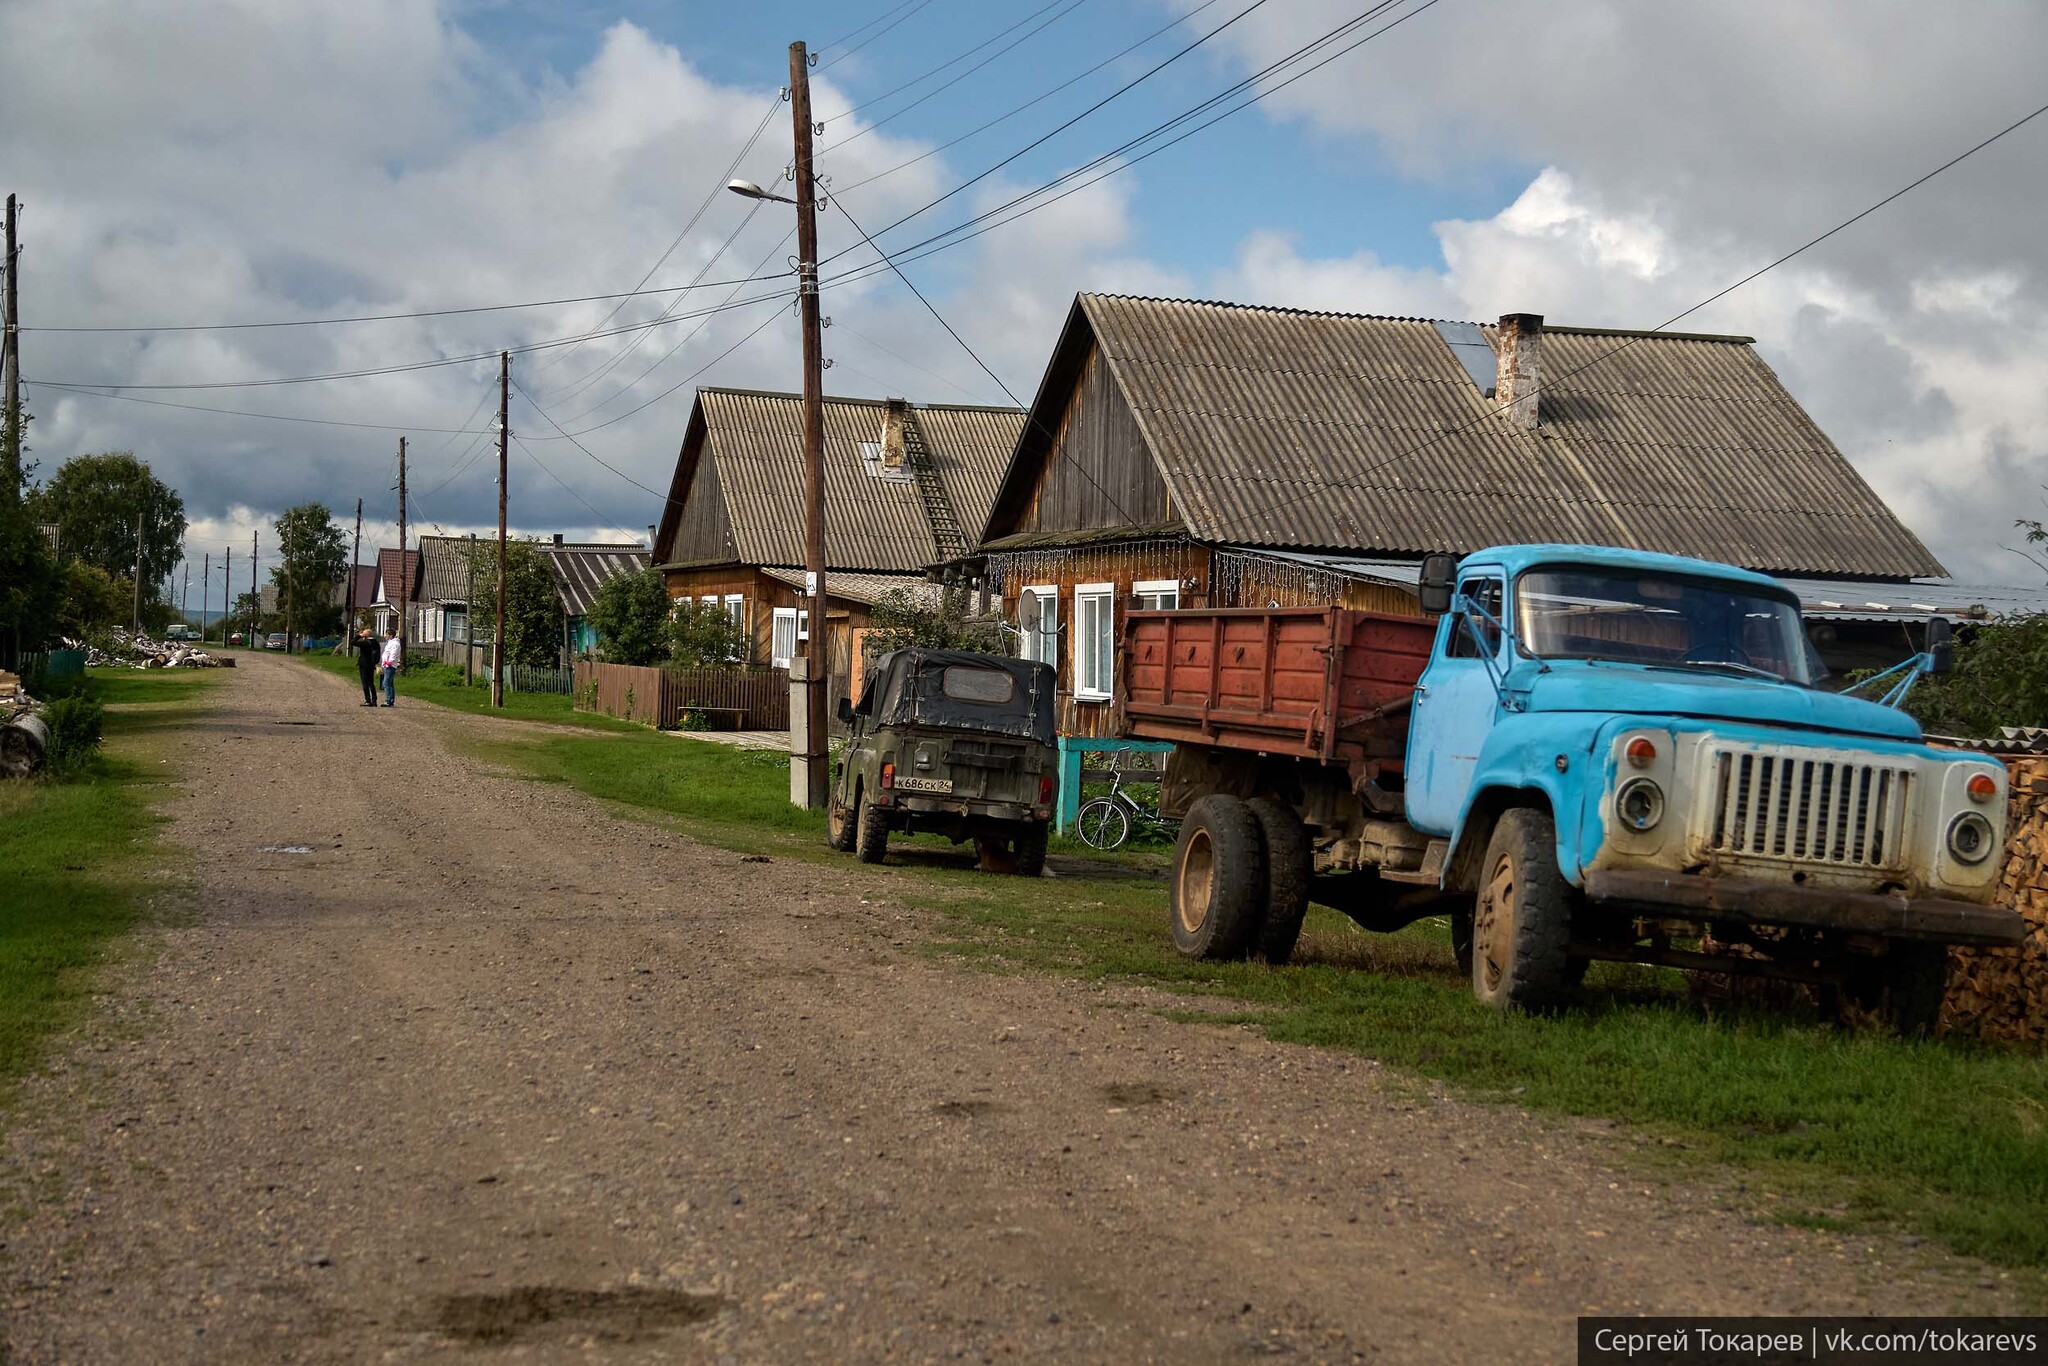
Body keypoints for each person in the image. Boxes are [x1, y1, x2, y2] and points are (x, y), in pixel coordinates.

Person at [350, 628, 379, 707]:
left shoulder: (365, 643)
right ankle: (374, 700)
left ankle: (368, 700)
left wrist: (359, 635)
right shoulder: (376, 643)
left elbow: (352, 642)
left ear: (365, 635)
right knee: (371, 683)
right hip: (372, 664)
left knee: (365, 683)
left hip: (364, 665)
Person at [378, 627, 402, 707]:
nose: (385, 636)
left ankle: (388, 700)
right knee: (389, 683)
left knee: (386, 683)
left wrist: (389, 662)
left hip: (390, 665)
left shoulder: (395, 644)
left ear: (391, 635)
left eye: (387, 635)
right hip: (387, 664)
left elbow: (393, 654)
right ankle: (390, 699)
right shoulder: (390, 643)